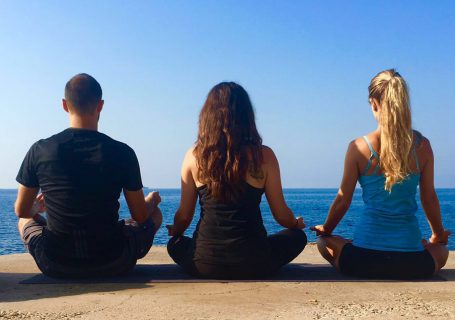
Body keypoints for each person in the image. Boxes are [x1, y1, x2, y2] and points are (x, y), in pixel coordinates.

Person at [14, 73, 162, 278]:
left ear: (65, 105)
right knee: (156, 215)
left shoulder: (40, 150)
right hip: (114, 261)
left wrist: (37, 208)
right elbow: (140, 216)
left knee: (24, 221)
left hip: (55, 263)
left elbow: (21, 210)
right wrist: (151, 201)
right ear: (100, 105)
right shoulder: (122, 152)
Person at [311, 69, 450, 279]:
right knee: (442, 251)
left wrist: (326, 229)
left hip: (361, 261)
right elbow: (429, 198)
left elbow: (342, 201)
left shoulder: (358, 147)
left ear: (373, 103)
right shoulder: (423, 147)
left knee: (324, 242)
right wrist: (437, 236)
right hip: (412, 264)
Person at [166, 82, 307, 279]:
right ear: (247, 116)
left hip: (204, 263)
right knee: (298, 237)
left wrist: (177, 231)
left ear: (207, 116)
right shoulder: (264, 156)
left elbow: (183, 216)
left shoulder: (194, 156)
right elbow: (281, 215)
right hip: (256, 263)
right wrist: (295, 223)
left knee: (175, 245)